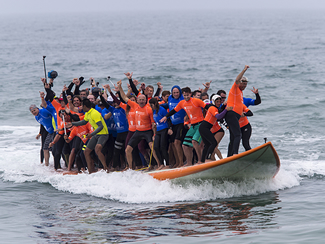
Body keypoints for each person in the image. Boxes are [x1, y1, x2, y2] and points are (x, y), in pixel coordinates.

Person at [160, 87, 210, 167]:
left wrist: (216, 112)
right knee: (184, 145)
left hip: (200, 125)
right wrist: (166, 117)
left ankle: (201, 161)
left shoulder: (196, 101)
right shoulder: (182, 103)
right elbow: (174, 111)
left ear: (190, 94)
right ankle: (189, 163)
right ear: (182, 95)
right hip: (192, 126)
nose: (186, 97)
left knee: (194, 142)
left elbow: (208, 107)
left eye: (187, 95)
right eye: (184, 95)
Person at [117, 80, 160, 170]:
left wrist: (154, 134)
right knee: (127, 150)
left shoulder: (148, 109)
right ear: (137, 100)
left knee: (152, 147)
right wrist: (120, 87)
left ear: (145, 100)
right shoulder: (134, 106)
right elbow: (124, 97)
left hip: (147, 131)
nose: (141, 101)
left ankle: (159, 164)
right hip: (138, 132)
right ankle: (130, 168)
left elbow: (153, 123)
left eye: (143, 100)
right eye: (139, 99)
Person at [70, 98, 109, 173]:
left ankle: (105, 168)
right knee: (86, 151)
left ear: (85, 106)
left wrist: (91, 134)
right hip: (96, 134)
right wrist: (72, 124)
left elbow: (100, 127)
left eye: (81, 106)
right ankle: (90, 171)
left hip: (103, 134)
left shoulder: (95, 113)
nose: (80, 108)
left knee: (97, 149)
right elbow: (84, 122)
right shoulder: (87, 113)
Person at [198, 95, 232, 164]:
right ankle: (208, 158)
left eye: (219, 102)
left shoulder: (214, 108)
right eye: (217, 102)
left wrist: (224, 106)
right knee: (213, 143)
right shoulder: (212, 108)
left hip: (203, 127)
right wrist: (226, 109)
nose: (219, 103)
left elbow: (219, 112)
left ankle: (202, 161)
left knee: (207, 145)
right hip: (205, 127)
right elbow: (219, 116)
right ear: (213, 101)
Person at [225, 65, 250, 156]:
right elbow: (237, 80)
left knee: (233, 137)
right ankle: (235, 154)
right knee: (238, 134)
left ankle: (229, 156)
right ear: (239, 83)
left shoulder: (240, 92)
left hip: (235, 115)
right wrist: (244, 70)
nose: (244, 86)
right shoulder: (235, 88)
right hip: (231, 114)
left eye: (246, 85)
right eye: (243, 84)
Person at [30, 92, 55, 166]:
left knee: (54, 149)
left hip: (55, 131)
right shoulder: (36, 117)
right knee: (45, 148)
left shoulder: (43, 111)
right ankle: (46, 165)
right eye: (32, 112)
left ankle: (57, 165)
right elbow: (43, 125)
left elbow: (53, 112)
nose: (34, 112)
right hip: (50, 132)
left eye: (34, 110)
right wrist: (40, 133)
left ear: (37, 109)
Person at [149, 98, 172, 169]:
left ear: (155, 104)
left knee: (163, 147)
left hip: (164, 129)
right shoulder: (153, 111)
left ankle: (167, 164)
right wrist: (154, 134)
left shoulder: (162, 109)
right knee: (155, 147)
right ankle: (161, 164)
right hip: (158, 131)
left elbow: (168, 118)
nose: (150, 106)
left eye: (151, 105)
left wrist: (169, 128)